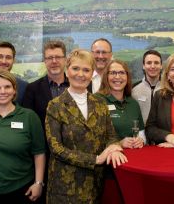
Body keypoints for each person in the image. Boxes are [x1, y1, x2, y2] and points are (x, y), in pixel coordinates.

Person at [45, 49, 127, 204]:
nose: (80, 74)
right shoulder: (55, 106)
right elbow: (56, 148)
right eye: (75, 68)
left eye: (86, 70)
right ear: (67, 71)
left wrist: (114, 148)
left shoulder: (100, 103)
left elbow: (111, 136)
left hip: (95, 185)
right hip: (65, 186)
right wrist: (95, 159)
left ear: (92, 74)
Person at [0, 70, 46, 203]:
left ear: (14, 90)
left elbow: (39, 152)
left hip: (21, 189)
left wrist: (39, 183)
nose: (2, 91)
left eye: (7, 87)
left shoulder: (29, 117)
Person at [97, 59, 145, 149]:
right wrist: (119, 143)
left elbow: (141, 132)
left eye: (122, 73)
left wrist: (141, 140)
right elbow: (91, 139)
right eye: (113, 73)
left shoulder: (133, 103)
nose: (118, 77)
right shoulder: (97, 100)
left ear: (127, 77)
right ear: (106, 77)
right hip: (107, 159)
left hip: (133, 158)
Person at [22, 40, 69, 128]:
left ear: (65, 60)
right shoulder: (32, 89)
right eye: (50, 58)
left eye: (58, 57)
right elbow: (28, 122)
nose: (54, 61)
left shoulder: (76, 86)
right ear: (45, 61)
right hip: (43, 141)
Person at [132, 49, 162, 125]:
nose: (152, 66)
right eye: (149, 63)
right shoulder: (133, 89)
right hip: (141, 134)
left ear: (161, 66)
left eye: (156, 63)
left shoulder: (169, 88)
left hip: (163, 135)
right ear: (143, 66)